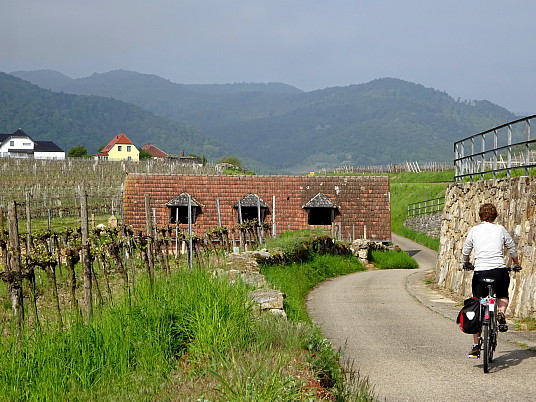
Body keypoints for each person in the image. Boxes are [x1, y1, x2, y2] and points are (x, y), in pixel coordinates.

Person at [461, 203, 521, 359]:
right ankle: (500, 312)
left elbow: (466, 250)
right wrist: (515, 262)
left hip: (480, 273)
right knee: (502, 295)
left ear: (480, 216)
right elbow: (511, 247)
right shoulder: (500, 229)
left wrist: (466, 262)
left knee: (476, 305)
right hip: (499, 272)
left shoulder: (474, 230)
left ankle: (475, 345)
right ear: (495, 216)